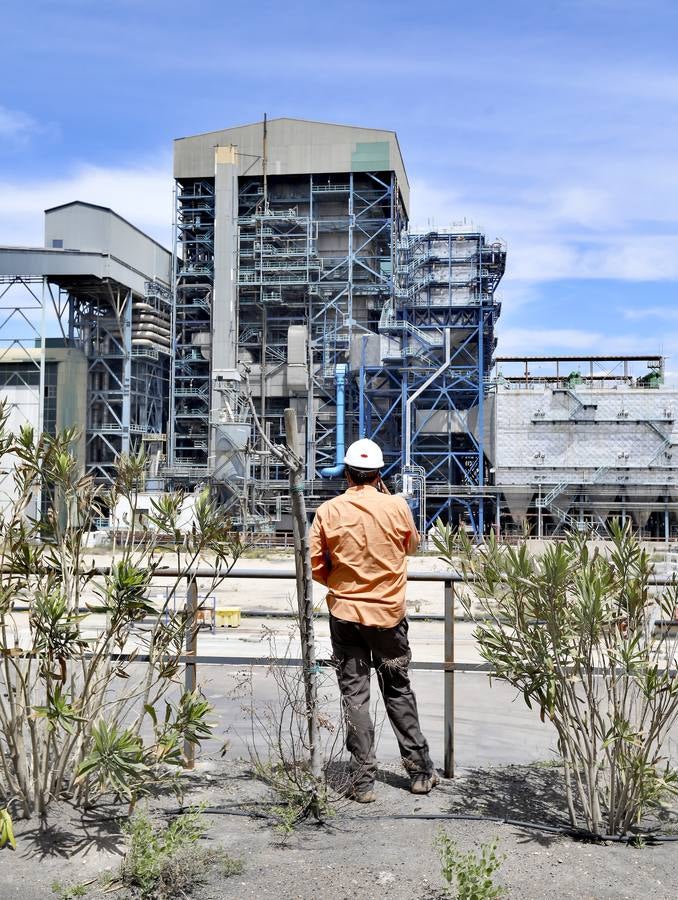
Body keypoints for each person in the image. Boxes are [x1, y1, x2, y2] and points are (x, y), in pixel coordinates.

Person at [310, 438, 438, 803]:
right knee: (397, 689)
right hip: (388, 618)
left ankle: (363, 781)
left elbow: (317, 565)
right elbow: (411, 547)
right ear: (380, 474)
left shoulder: (329, 511)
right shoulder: (397, 506)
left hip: (345, 616)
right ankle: (419, 772)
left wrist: (343, 583)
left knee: (355, 697)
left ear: (347, 474)